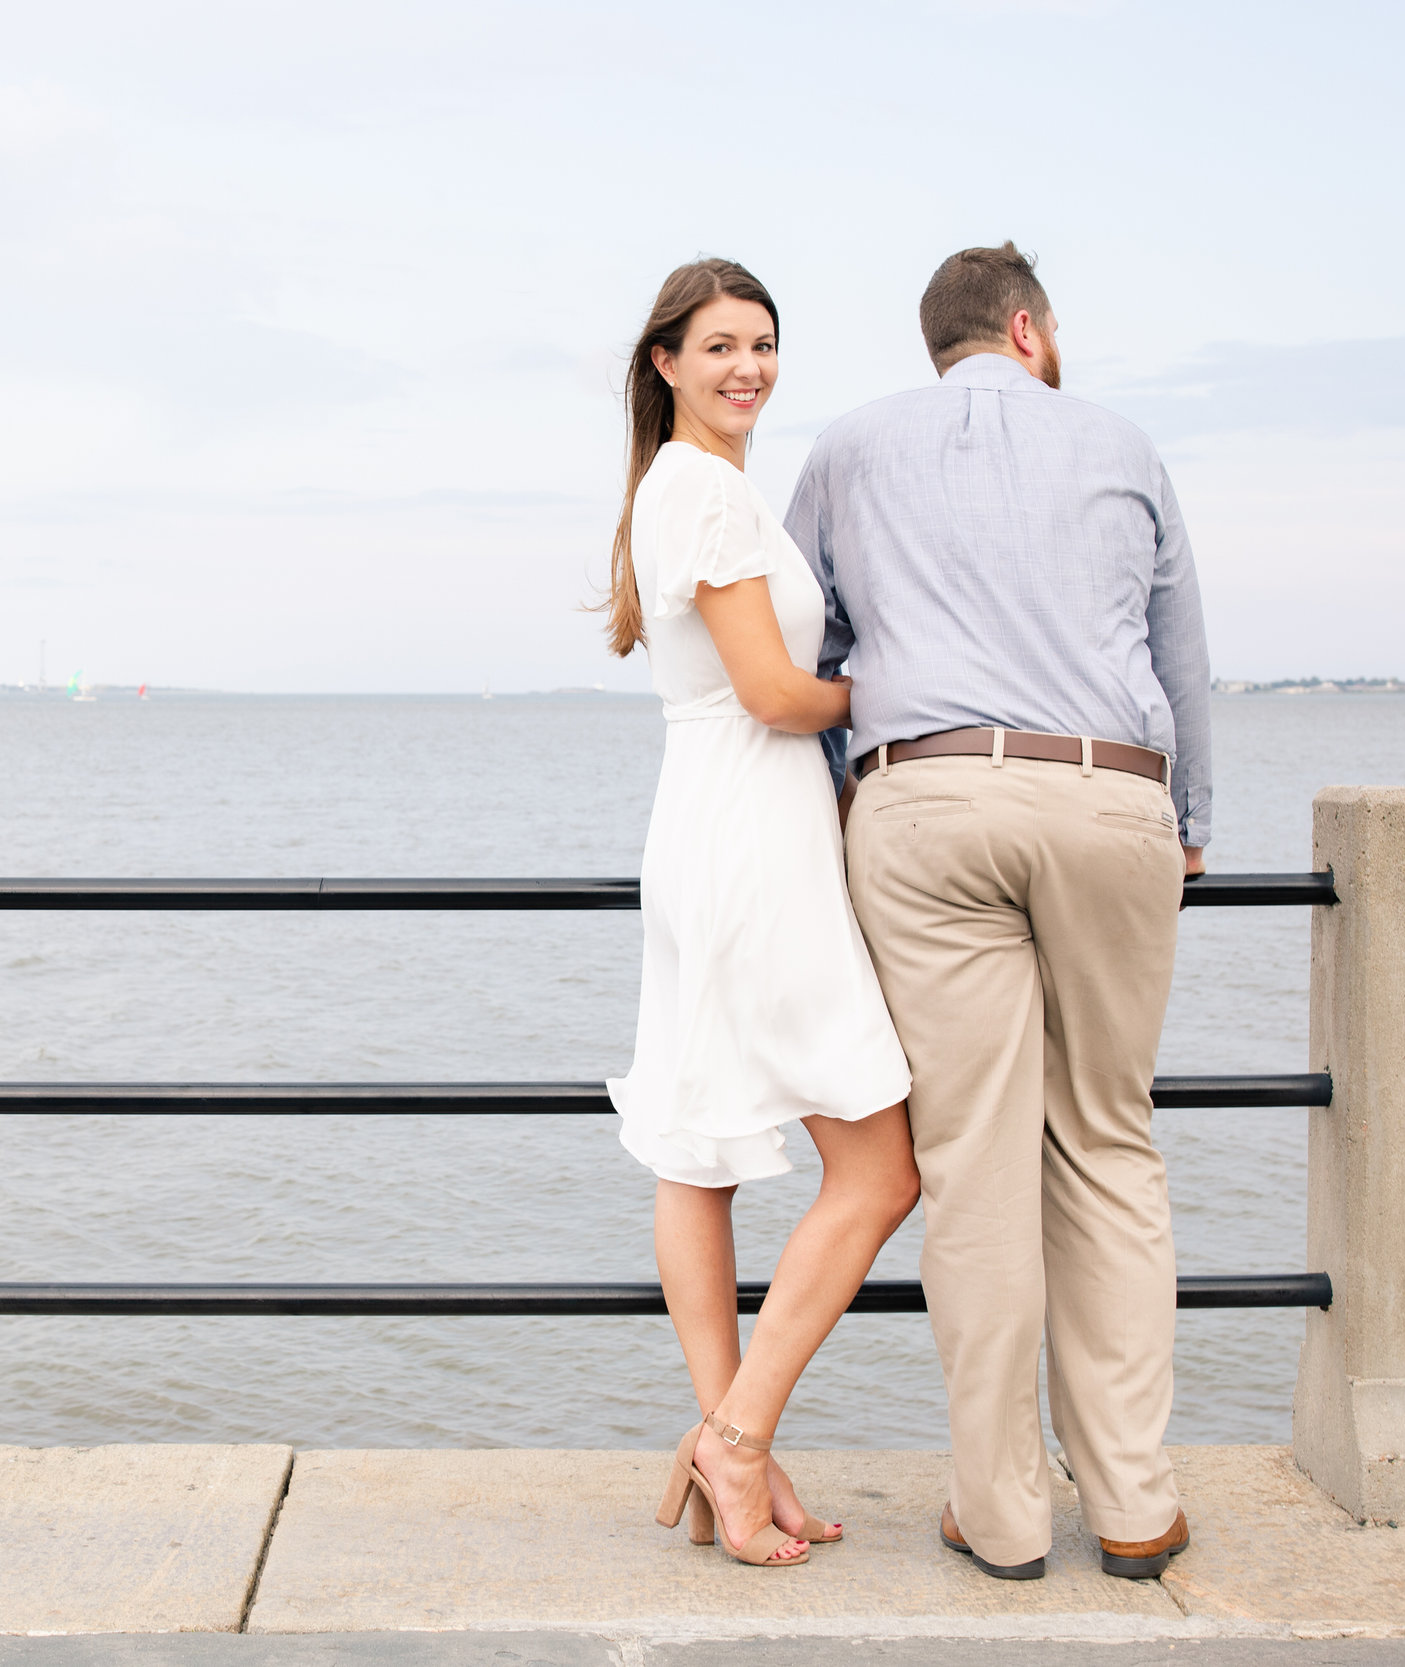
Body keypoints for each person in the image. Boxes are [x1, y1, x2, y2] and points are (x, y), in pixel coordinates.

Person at [783, 242, 1211, 1583]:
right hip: (1108, 801)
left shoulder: (850, 449)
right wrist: (1191, 823)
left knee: (971, 1161)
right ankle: (1136, 1507)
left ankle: (1004, 1515)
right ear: (1030, 330)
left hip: (928, 801)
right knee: (1107, 1140)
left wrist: (840, 812)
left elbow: (809, 651)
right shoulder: (1124, 443)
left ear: (943, 343)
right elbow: (1179, 653)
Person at [602, 258, 920, 1569]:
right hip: (752, 840)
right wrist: (917, 690)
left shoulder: (687, 491)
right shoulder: (703, 497)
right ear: (666, 361)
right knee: (882, 1166)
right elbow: (778, 694)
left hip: (710, 826)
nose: (748, 366)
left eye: (765, 345)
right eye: (720, 345)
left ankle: (734, 1447)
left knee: (700, 1149)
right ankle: (736, 1438)